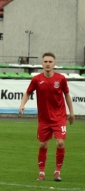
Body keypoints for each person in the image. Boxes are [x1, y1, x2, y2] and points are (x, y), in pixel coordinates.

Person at [19, 52, 74, 182]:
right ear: (42, 64)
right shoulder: (37, 79)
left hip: (59, 117)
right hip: (44, 119)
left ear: (54, 64)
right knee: (43, 145)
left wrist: (71, 113)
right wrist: (22, 104)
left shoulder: (60, 79)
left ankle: (57, 172)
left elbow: (66, 95)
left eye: (50, 61)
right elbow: (27, 93)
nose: (48, 64)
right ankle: (42, 173)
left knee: (60, 142)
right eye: (45, 61)